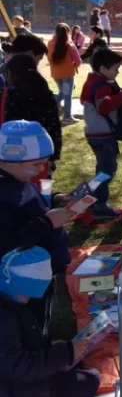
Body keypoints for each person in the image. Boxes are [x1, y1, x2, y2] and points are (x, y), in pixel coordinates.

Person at [0, 245, 100, 397]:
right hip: (13, 394)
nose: (28, 299)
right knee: (90, 379)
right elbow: (17, 368)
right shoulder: (5, 316)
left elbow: (20, 347)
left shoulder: (10, 301)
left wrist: (54, 349)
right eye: (27, 294)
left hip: (19, 380)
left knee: (82, 369)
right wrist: (65, 353)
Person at [0, 121, 74, 327]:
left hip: (42, 269)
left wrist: (56, 199)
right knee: (28, 324)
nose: (43, 168)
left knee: (44, 313)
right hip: (20, 279)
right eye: (37, 164)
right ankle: (36, 353)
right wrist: (48, 222)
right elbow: (7, 240)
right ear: (11, 159)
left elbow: (31, 201)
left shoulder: (17, 178)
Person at [80, 48, 122, 219]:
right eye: (115, 69)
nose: (117, 72)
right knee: (106, 171)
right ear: (103, 69)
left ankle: (90, 200)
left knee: (104, 169)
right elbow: (103, 107)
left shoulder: (93, 82)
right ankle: (98, 205)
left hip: (95, 134)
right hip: (101, 135)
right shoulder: (100, 86)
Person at [3, 55, 63, 183]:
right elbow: (55, 126)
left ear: (11, 74)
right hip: (40, 156)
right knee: (39, 193)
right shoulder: (46, 94)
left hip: (12, 158)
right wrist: (53, 156)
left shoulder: (9, 95)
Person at [47, 23, 82, 125]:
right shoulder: (70, 45)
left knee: (63, 93)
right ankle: (67, 117)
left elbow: (49, 58)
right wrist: (73, 65)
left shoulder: (50, 43)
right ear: (67, 33)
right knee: (67, 95)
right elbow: (78, 61)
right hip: (67, 74)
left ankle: (52, 102)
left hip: (55, 73)